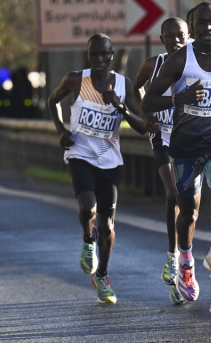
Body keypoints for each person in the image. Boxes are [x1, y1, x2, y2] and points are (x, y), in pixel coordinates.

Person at [142, 2, 211, 314]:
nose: (207, 28)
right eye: (200, 23)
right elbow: (148, 101)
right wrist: (179, 98)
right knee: (188, 213)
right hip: (186, 149)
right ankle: (185, 261)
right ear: (193, 27)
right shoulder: (179, 59)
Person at [47, 34, 146, 303]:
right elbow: (52, 100)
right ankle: (88, 240)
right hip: (80, 153)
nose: (99, 59)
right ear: (88, 55)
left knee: (108, 223)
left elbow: (143, 127)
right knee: (87, 208)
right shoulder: (76, 80)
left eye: (104, 54)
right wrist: (60, 130)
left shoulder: (124, 85)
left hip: (109, 160)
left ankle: (101, 275)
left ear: (112, 56)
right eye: (94, 54)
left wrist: (121, 107)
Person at [132, 17, 189, 305]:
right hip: (163, 138)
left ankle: (185, 269)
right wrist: (145, 116)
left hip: (192, 140)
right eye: (170, 36)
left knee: (191, 205)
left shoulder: (196, 63)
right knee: (173, 194)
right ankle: (172, 255)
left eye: (180, 35)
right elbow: (135, 88)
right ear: (162, 39)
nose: (175, 40)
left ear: (188, 36)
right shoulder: (152, 65)